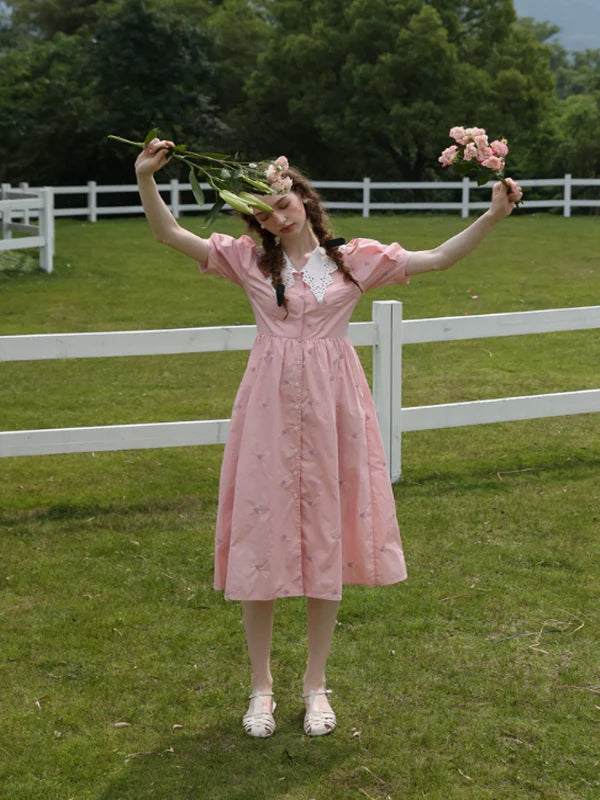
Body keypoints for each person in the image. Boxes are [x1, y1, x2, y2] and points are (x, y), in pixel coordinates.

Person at [135, 138, 523, 739]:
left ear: (303, 198)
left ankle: (316, 685)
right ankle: (260, 688)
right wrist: (145, 179)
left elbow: (439, 258)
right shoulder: (249, 260)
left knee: (327, 540)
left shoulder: (355, 259)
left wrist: (493, 215)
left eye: (283, 201)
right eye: (263, 212)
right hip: (266, 409)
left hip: (334, 407)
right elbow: (171, 236)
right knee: (260, 540)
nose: (276, 215)